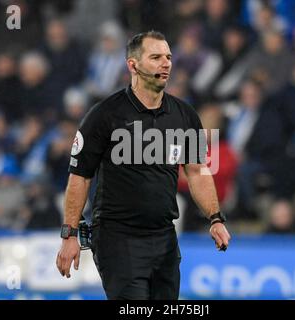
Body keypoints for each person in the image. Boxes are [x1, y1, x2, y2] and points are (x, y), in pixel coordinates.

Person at [56, 31, 231, 300]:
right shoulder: (104, 115)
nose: (166, 63)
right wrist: (69, 235)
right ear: (132, 65)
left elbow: (197, 171)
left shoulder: (185, 116)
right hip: (117, 238)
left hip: (164, 238)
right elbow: (80, 176)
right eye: (156, 57)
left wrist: (215, 218)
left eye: (169, 57)